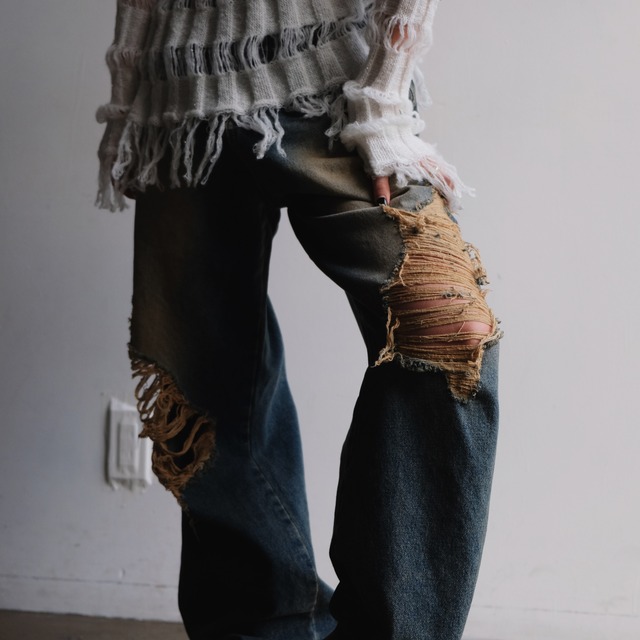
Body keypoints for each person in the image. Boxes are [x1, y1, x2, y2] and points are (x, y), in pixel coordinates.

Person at [96, 1, 502, 638]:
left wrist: (384, 98)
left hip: (336, 82)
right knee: (201, 380)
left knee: (449, 331)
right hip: (182, 92)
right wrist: (127, 105)